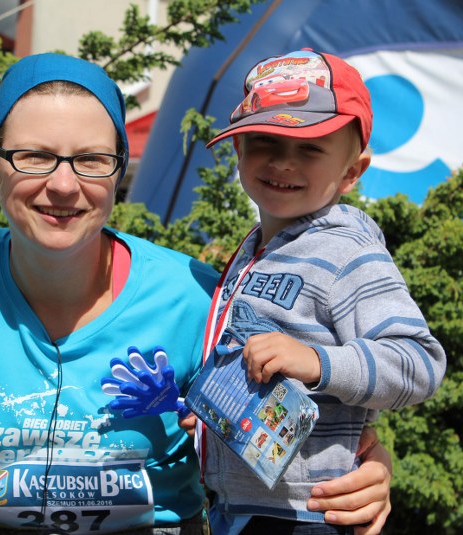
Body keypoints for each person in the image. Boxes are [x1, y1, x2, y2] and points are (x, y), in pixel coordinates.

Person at [0, 52, 394, 534]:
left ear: (117, 173)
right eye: (34, 156)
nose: (63, 185)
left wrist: (366, 464)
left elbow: (280, 422)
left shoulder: (194, 297)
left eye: (92, 160)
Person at [190, 49, 446, 535]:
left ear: (352, 172)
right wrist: (212, 420)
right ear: (239, 150)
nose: (283, 162)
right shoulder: (256, 249)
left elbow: (418, 362)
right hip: (240, 509)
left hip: (312, 514)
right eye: (265, 140)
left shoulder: (347, 251)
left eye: (310, 148)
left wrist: (317, 361)